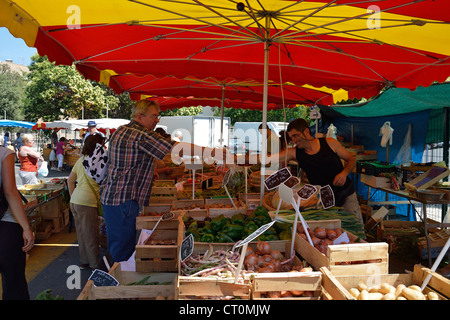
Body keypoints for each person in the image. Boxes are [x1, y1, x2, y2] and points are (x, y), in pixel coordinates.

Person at [100, 99, 228, 262]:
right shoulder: (140, 134)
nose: (157, 120)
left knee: (119, 243)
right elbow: (174, 147)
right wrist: (211, 151)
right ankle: (118, 279)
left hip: (114, 195)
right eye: (154, 116)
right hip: (122, 198)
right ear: (140, 116)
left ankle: (117, 273)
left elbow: (129, 159)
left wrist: (148, 170)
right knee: (122, 247)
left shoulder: (122, 130)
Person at [245, 118, 363, 224]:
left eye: (296, 136)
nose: (293, 140)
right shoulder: (295, 153)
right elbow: (268, 158)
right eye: (291, 138)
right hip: (323, 199)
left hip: (345, 193)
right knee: (334, 231)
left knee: (355, 226)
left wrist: (344, 173)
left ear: (306, 131)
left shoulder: (330, 143)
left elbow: (351, 159)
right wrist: (237, 158)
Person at [0, 145, 35, 300]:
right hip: (6, 223)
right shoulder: (4, 153)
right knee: (14, 281)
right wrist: (26, 228)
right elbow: (10, 190)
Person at [67, 134, 106, 269]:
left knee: (81, 232)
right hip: (87, 202)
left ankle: (84, 261)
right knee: (91, 234)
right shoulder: (99, 162)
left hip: (76, 201)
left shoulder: (81, 160)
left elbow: (70, 180)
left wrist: (73, 197)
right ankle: (94, 264)